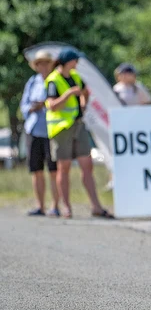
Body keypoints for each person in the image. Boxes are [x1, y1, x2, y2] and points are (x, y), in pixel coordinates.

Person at [45, 48, 113, 219]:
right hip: (61, 129)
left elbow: (85, 92)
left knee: (87, 165)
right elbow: (52, 105)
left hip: (78, 124)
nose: (77, 64)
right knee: (64, 168)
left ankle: (96, 206)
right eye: (75, 60)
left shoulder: (75, 76)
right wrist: (68, 94)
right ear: (68, 61)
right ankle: (66, 207)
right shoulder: (53, 80)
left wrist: (83, 103)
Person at [20, 51, 60, 217]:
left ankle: (55, 206)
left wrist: (45, 104)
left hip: (51, 130)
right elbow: (24, 105)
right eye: (40, 63)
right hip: (34, 129)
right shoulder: (32, 82)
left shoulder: (55, 81)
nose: (43, 66)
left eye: (46, 63)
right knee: (36, 169)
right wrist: (32, 108)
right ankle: (40, 206)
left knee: (53, 170)